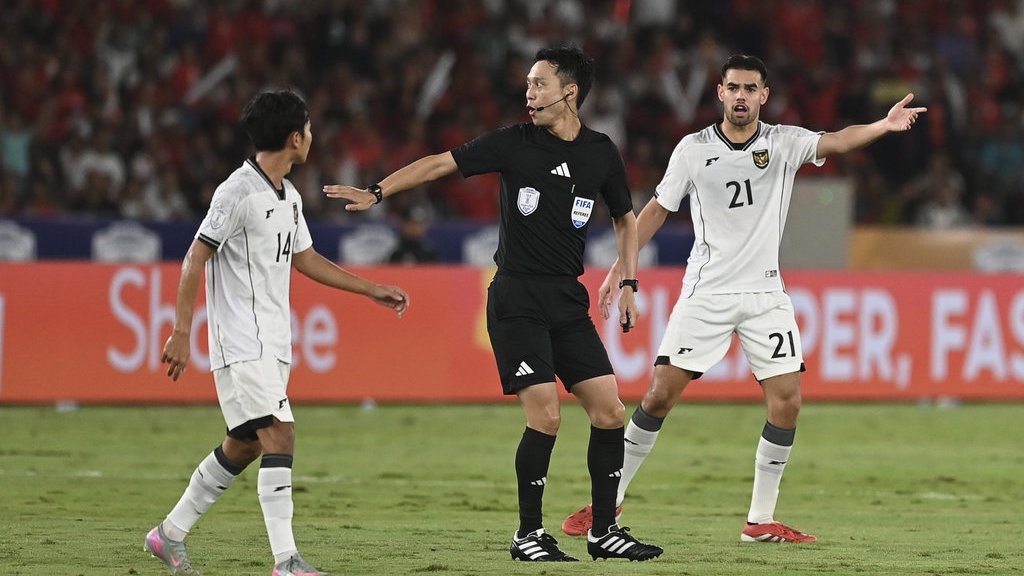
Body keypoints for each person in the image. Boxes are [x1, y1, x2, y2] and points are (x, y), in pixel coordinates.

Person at [561, 54, 927, 543]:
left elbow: (837, 141)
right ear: (719, 92)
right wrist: (619, 269)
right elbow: (654, 211)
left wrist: (884, 125)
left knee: (787, 402)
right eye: (732, 87)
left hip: (764, 296)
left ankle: (759, 520)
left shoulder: (783, 143)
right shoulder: (693, 150)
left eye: (750, 89)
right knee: (658, 396)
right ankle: (609, 500)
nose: (740, 96)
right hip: (706, 293)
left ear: (763, 96)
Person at [324, 45, 662, 562]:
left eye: (539, 84)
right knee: (546, 417)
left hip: (566, 300)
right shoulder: (513, 143)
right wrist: (377, 191)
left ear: (569, 93)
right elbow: (441, 162)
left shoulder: (601, 152)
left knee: (611, 411)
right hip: (516, 298)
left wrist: (630, 282)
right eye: (528, 84)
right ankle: (528, 534)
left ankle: (602, 532)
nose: (529, 94)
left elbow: (625, 218)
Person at [144, 90, 410, 576]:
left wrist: (370, 289)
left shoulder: (288, 197)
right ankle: (286, 561)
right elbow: (195, 255)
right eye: (308, 129)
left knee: (244, 444)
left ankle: (169, 534)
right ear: (294, 137)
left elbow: (305, 259)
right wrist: (181, 330)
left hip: (273, 344)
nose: (312, 137)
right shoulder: (237, 192)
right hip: (240, 343)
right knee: (280, 433)